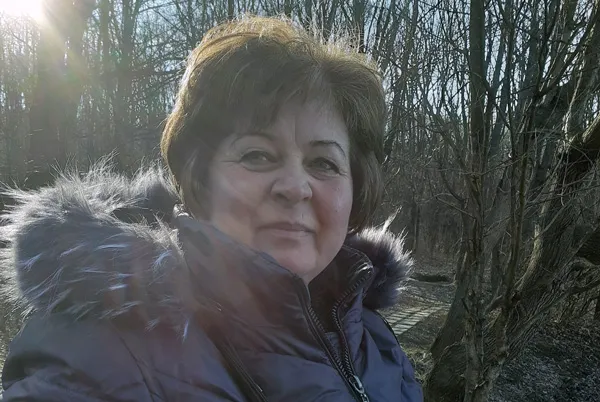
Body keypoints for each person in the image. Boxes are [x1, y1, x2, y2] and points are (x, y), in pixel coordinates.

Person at [0, 15, 423, 401]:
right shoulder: (95, 360)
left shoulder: (374, 340)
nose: (296, 188)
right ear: (199, 177)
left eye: (324, 163)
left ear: (356, 188)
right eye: (257, 155)